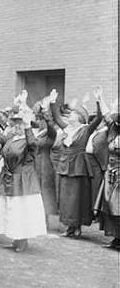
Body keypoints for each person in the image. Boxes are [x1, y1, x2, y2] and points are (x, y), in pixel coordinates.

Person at [0, 99, 47, 252]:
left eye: (20, 123)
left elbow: (33, 146)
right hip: (10, 178)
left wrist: (28, 127)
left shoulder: (30, 140)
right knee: (11, 209)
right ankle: (16, 238)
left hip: (23, 180)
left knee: (21, 209)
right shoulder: (11, 139)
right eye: (15, 123)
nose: (17, 126)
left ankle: (23, 239)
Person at [50, 87, 103, 238]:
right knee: (66, 199)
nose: (70, 115)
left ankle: (77, 226)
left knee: (77, 199)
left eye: (73, 113)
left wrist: (98, 100)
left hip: (79, 168)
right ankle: (69, 227)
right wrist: (53, 102)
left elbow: (99, 119)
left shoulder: (85, 130)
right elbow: (55, 117)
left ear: (79, 116)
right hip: (65, 166)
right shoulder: (67, 128)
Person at [97, 107, 120, 249]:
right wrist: (100, 99)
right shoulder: (113, 132)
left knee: (117, 206)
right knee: (110, 206)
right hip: (111, 172)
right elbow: (107, 117)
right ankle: (116, 238)